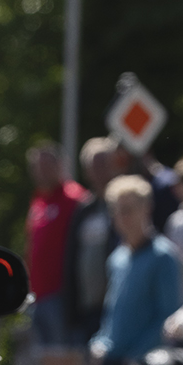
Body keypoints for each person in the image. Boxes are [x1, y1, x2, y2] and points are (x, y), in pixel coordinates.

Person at [90, 175, 183, 365]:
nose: (122, 218)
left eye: (129, 209)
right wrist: (99, 343)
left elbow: (168, 316)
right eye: (116, 210)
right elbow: (111, 313)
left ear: (147, 210)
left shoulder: (163, 256)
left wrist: (138, 357)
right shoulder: (117, 258)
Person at [25, 141, 90, 365]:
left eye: (49, 163)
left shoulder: (75, 199)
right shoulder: (38, 201)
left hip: (64, 297)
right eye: (38, 165)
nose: (43, 170)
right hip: (40, 296)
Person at [63, 137, 118, 344]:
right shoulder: (84, 210)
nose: (99, 171)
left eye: (104, 164)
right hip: (88, 308)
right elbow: (71, 259)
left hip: (118, 304)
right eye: (94, 166)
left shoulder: (125, 206)